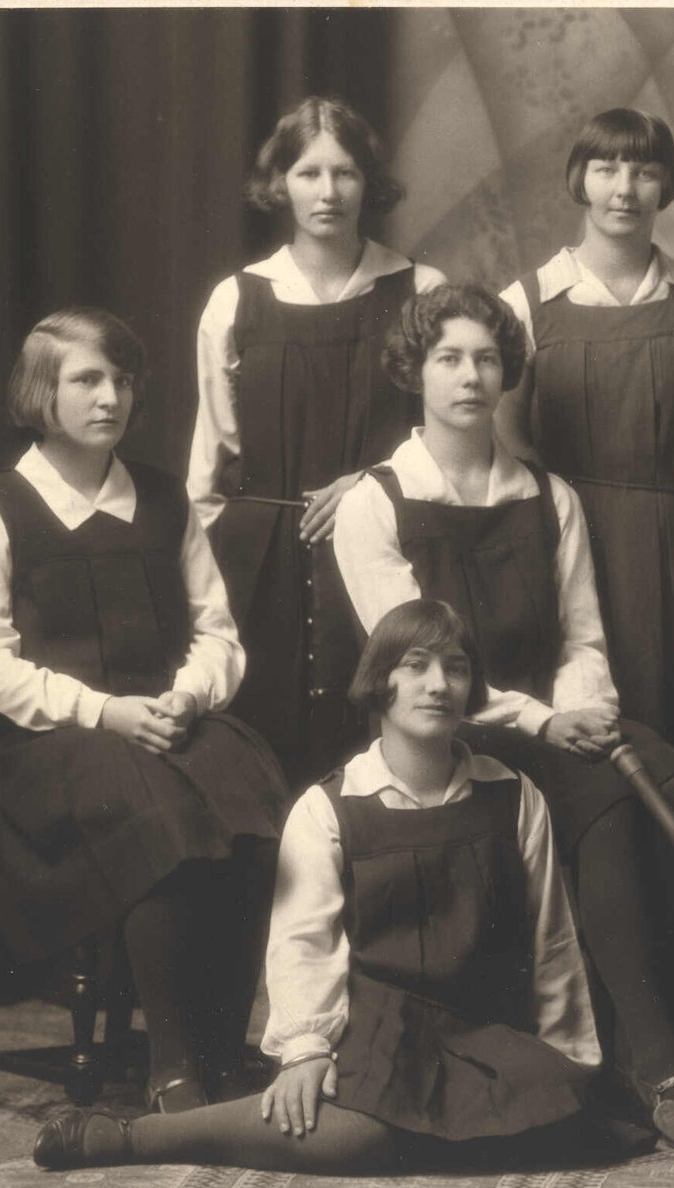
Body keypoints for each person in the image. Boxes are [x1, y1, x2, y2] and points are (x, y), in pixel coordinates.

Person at [32, 599, 638, 1172]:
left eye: (456, 669)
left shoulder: (513, 794)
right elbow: (303, 945)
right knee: (348, 1137)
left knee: (567, 1123)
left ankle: (425, 1132)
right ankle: (137, 1137)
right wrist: (306, 1049)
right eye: (416, 666)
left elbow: (550, 939)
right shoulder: (328, 808)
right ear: (381, 682)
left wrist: (563, 1056)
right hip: (382, 1029)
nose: (438, 685)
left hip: (484, 1029)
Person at [331, 284, 674, 1124]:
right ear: (414, 370)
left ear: (508, 374)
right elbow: (412, 664)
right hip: (447, 728)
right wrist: (546, 723)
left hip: (558, 719)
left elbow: (581, 638)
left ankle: (627, 1025)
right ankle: (657, 1063)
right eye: (449, 358)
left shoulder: (549, 495)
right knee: (611, 801)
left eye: (487, 358)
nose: (470, 376)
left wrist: (587, 711)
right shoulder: (374, 503)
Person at [0, 309, 287, 1114]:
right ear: (42, 391)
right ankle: (171, 1064)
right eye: (87, 379)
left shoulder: (166, 501)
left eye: (123, 380)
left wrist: (187, 695)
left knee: (252, 792)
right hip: (49, 741)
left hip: (163, 720)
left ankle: (218, 1044)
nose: (111, 397)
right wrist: (106, 713)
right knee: (156, 812)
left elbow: (217, 634)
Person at [188, 95, 447, 788]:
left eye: (345, 173)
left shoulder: (422, 288)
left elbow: (448, 437)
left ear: (370, 183)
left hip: (384, 548)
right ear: (280, 184)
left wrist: (369, 483)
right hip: (260, 565)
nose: (327, 192)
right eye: (308, 173)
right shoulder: (236, 299)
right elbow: (210, 464)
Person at [497, 108, 674, 759]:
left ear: (667, 185)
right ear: (580, 178)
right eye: (606, 168)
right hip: (561, 539)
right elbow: (506, 446)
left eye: (645, 171)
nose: (624, 189)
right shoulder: (524, 305)